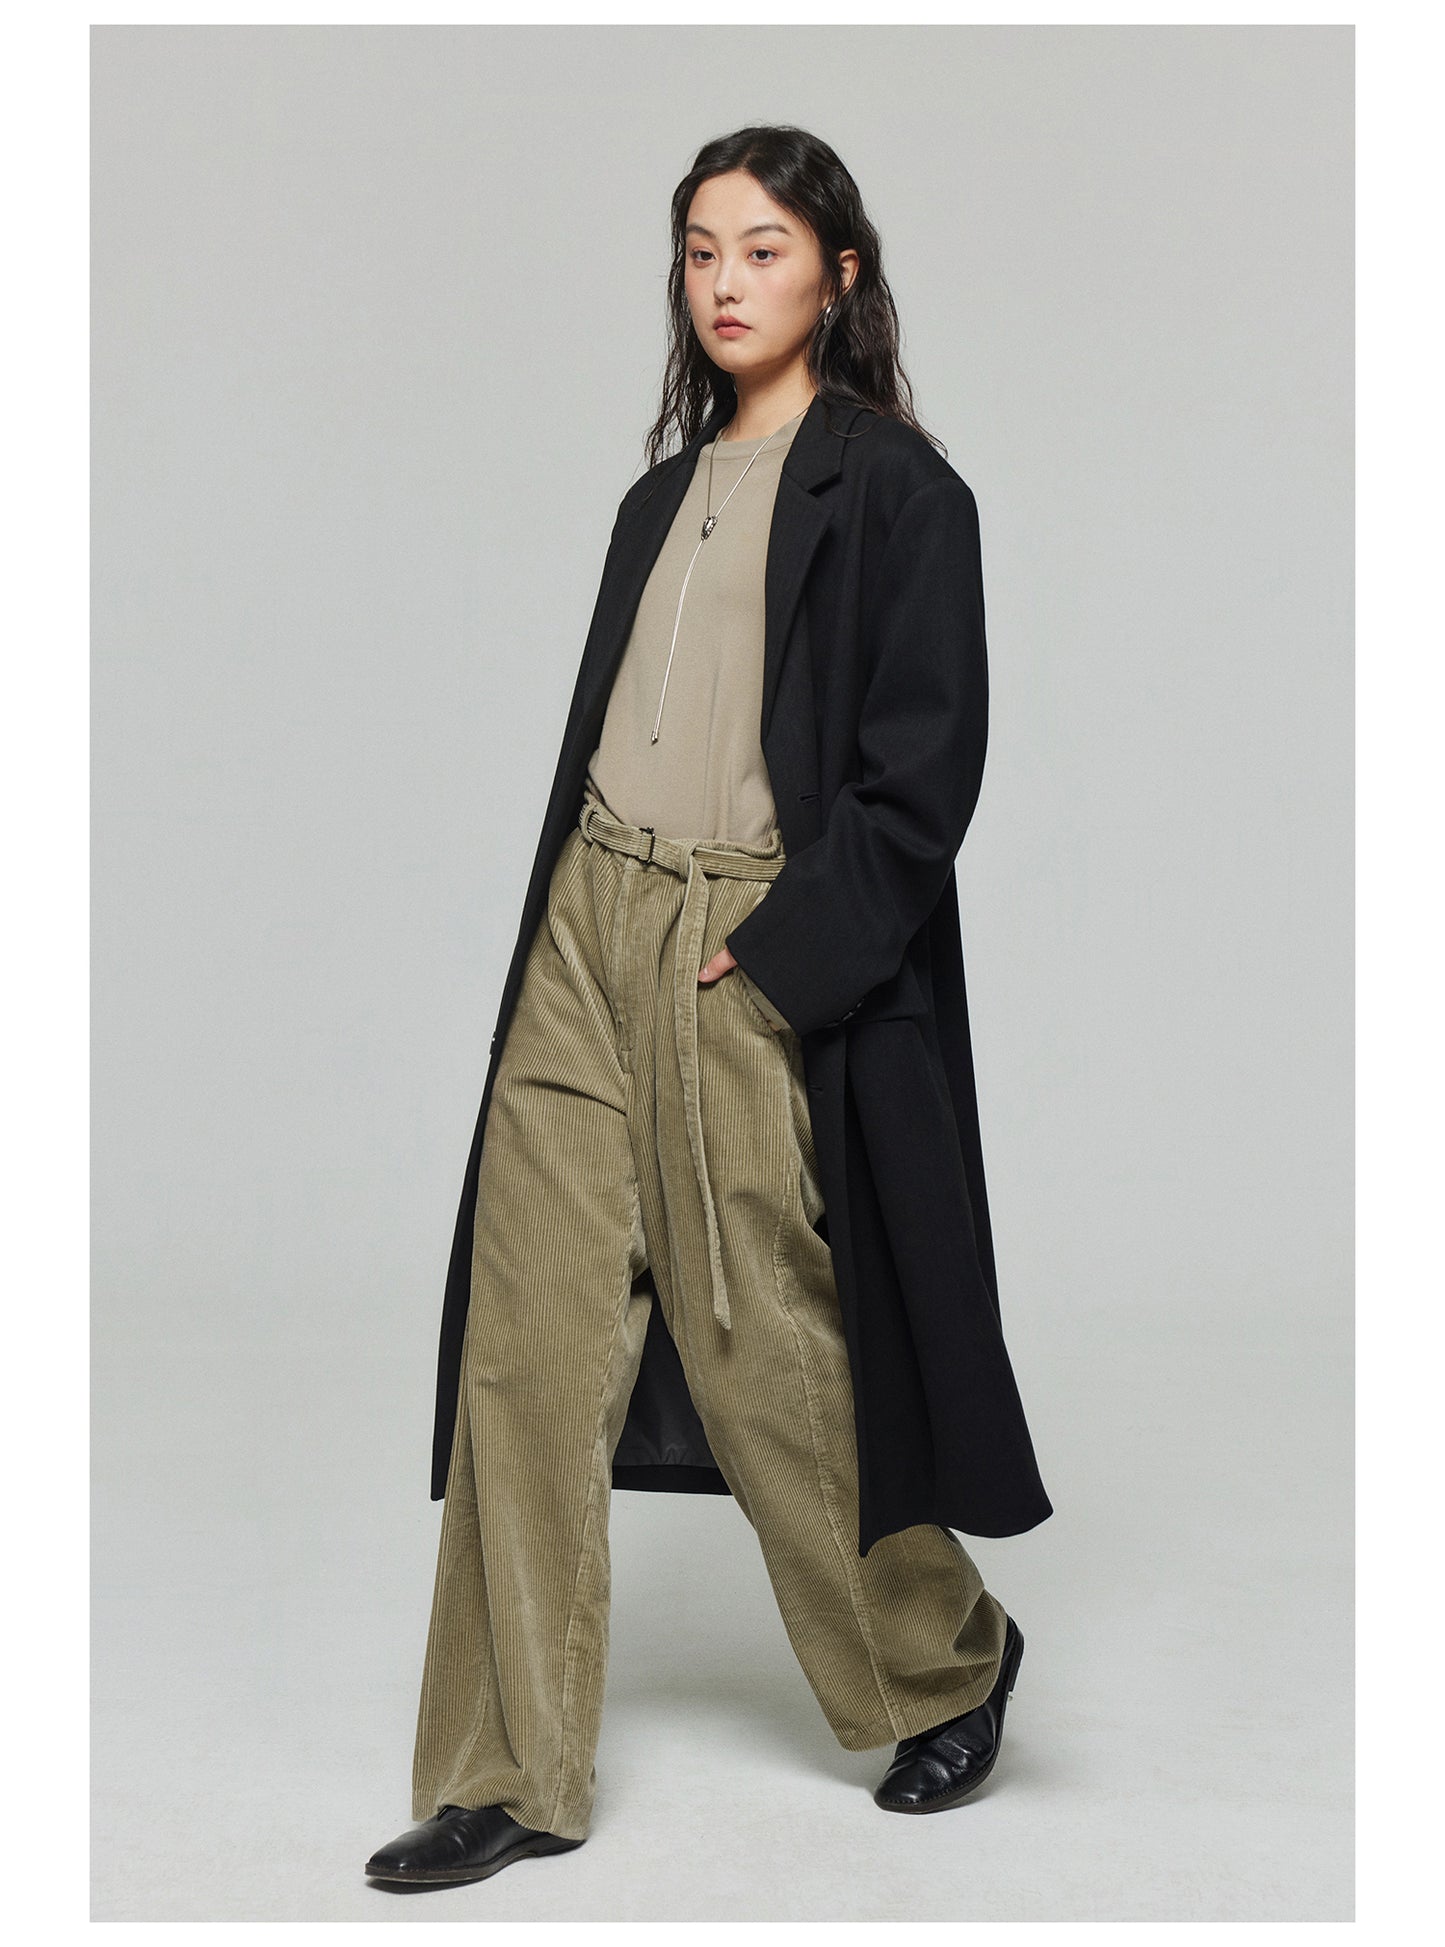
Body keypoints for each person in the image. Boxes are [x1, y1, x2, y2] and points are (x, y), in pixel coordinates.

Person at [365, 123, 1051, 1891]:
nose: (726, 282)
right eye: (698, 251)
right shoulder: (654, 498)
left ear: (837, 271)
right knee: (523, 1352)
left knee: (764, 1355)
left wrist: (786, 953)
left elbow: (920, 775)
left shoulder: (900, 493)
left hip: (740, 943)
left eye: (762, 248)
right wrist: (569, 926)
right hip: (585, 929)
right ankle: (507, 1770)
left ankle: (941, 1661)